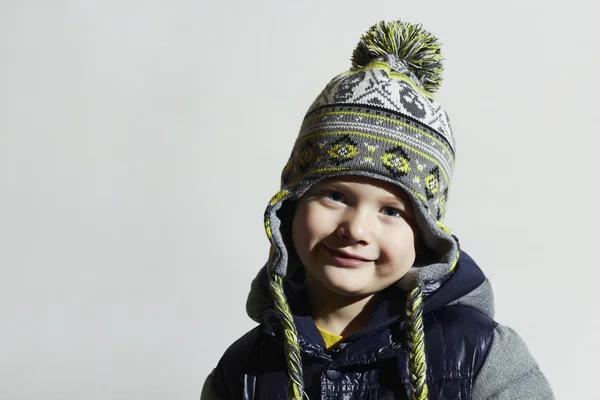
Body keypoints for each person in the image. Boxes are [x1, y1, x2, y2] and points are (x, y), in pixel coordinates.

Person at [201, 20, 554, 400]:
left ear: (425, 234)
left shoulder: (483, 356)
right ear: (291, 204)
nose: (356, 229)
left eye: (392, 211)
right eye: (335, 196)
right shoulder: (242, 370)